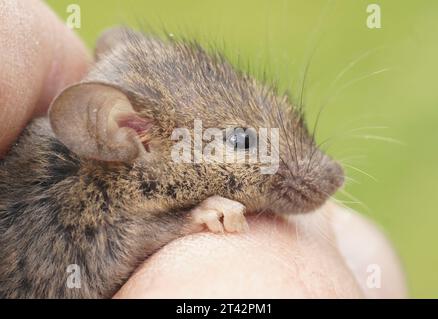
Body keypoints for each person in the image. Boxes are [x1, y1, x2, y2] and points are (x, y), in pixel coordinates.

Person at [0, 0, 407, 298]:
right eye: (242, 142)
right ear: (133, 132)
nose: (330, 176)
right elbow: (67, 275)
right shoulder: (62, 200)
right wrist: (180, 224)